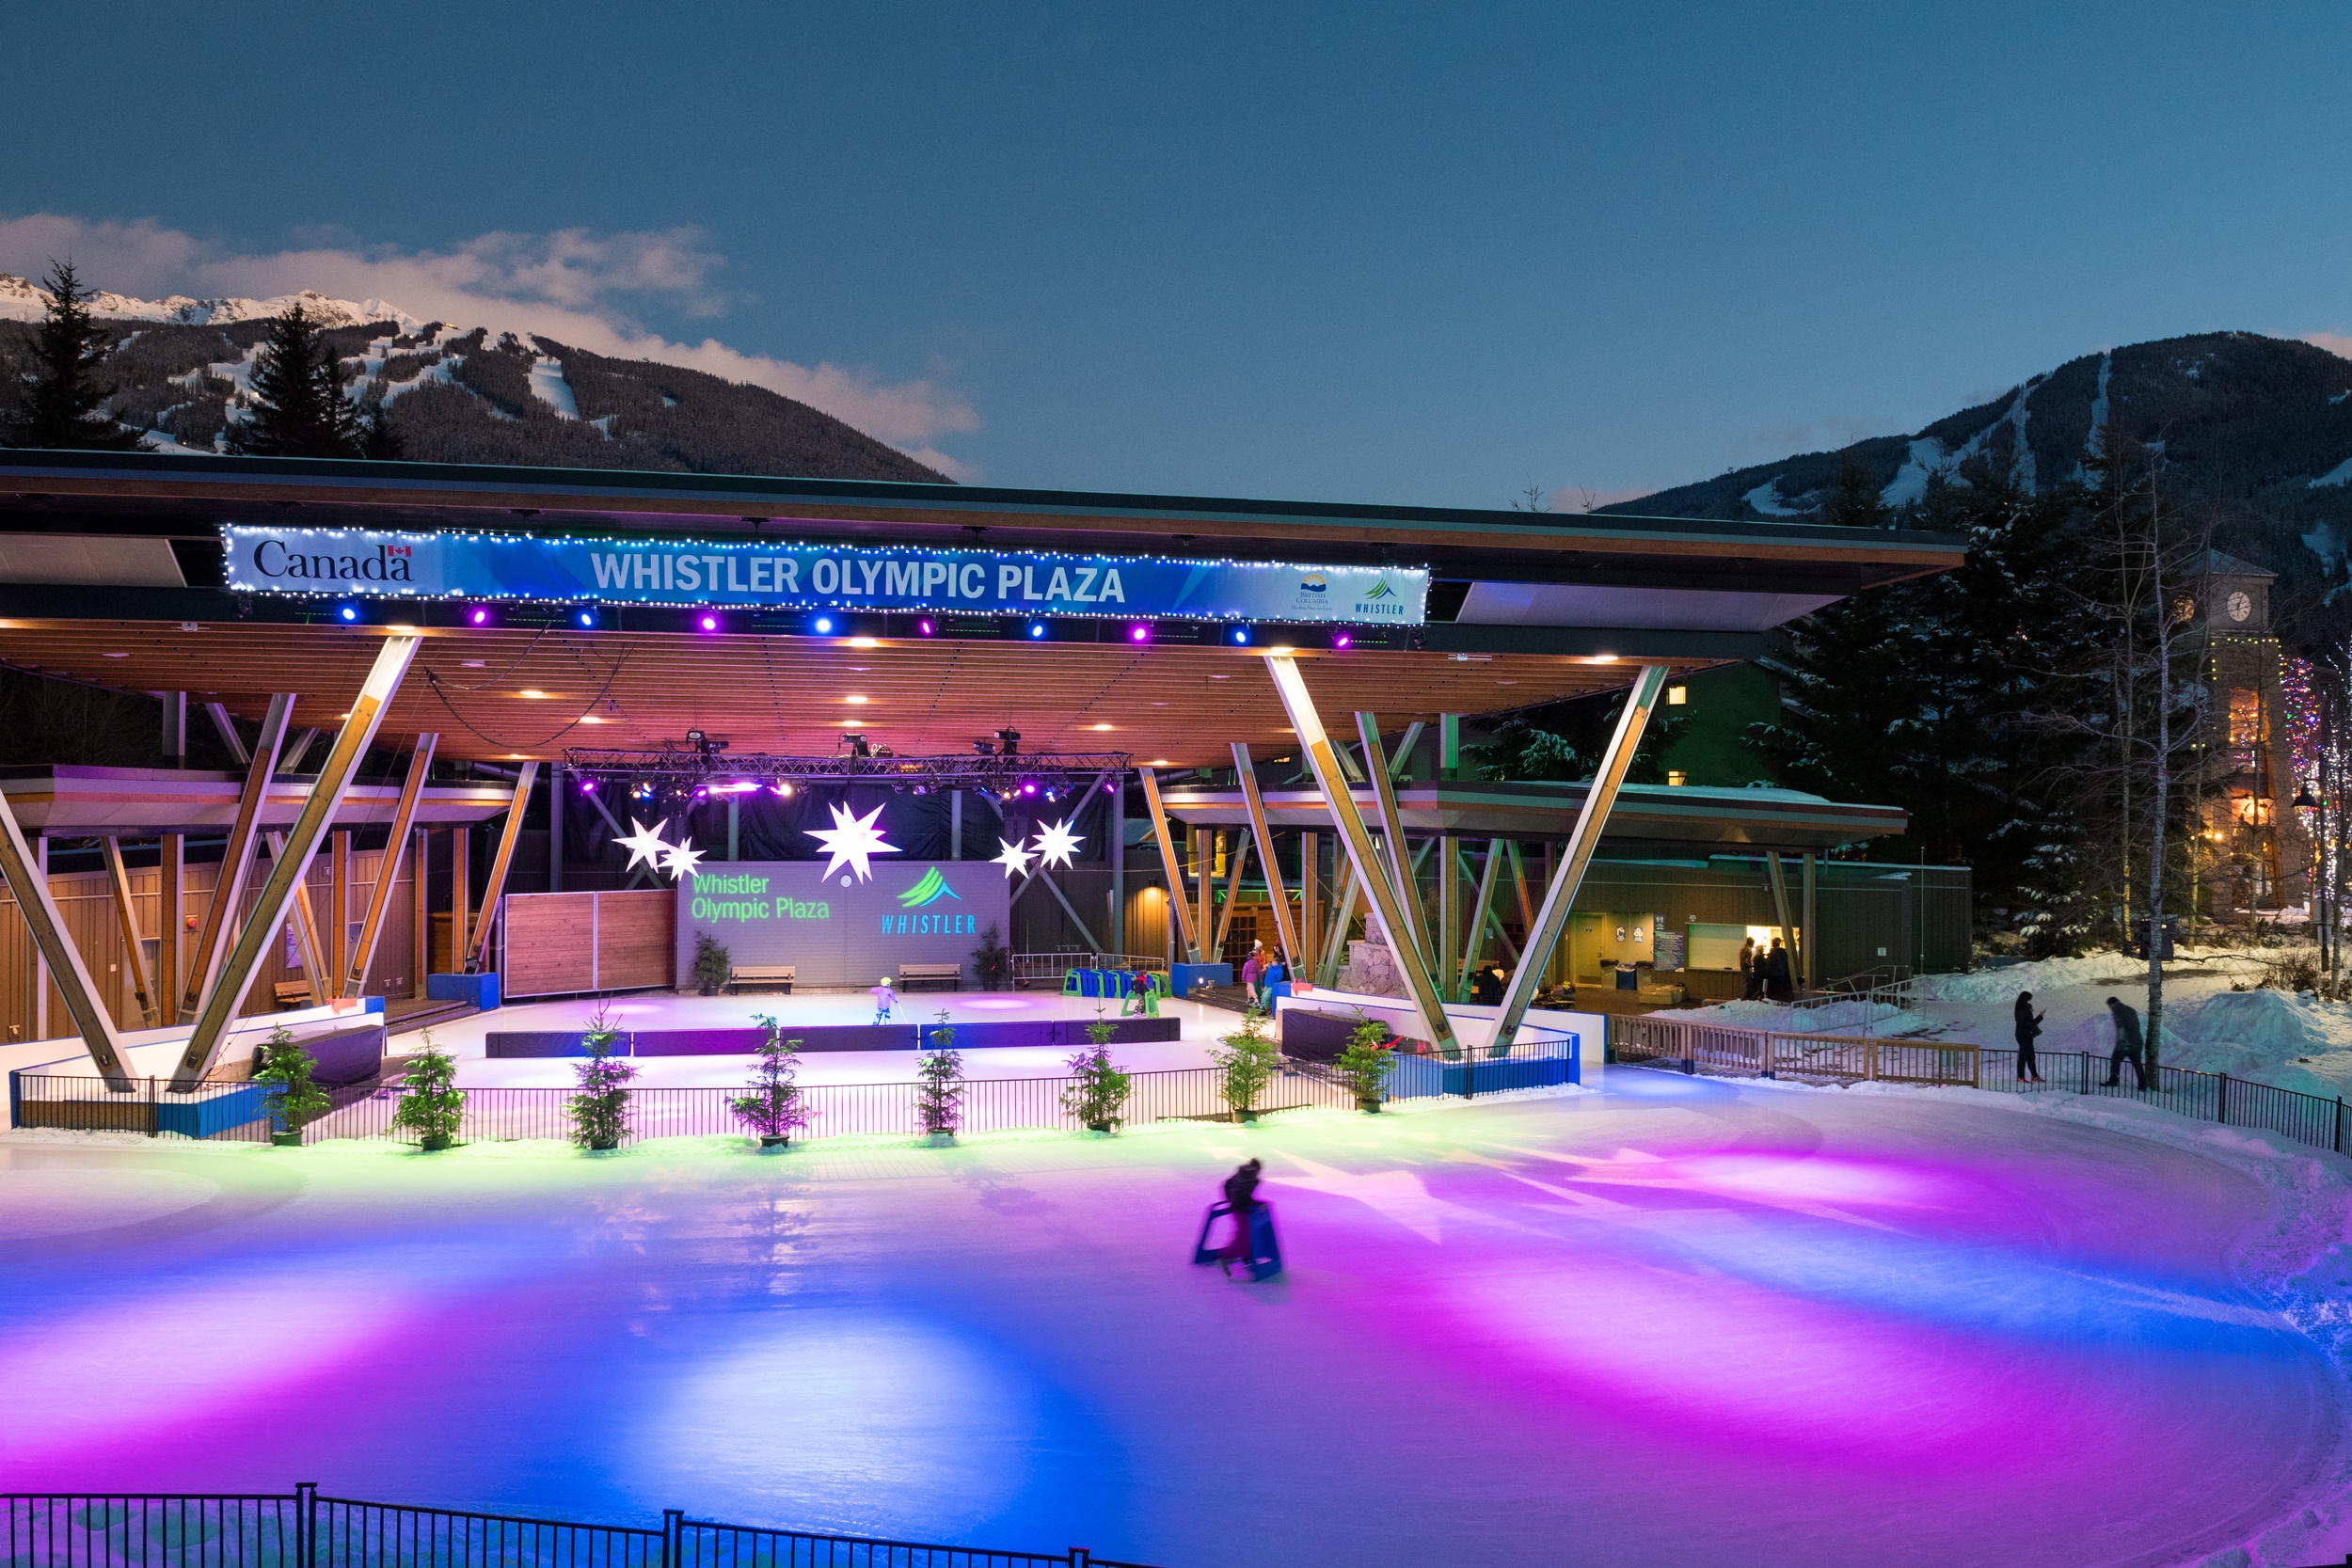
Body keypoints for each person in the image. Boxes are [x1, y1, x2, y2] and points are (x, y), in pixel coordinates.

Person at [1217, 1158, 1264, 1276]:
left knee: (1245, 1233)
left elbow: (1229, 1186)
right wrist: (1257, 1204)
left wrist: (1230, 1198)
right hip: (1240, 1210)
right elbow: (1245, 1197)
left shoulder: (1242, 1176)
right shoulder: (1251, 1180)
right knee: (1243, 1235)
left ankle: (1245, 1256)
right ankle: (1228, 1255)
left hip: (1238, 1208)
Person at [2103, 995, 2147, 1088]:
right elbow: (2136, 1025)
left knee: (2115, 1060)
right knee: (2137, 1064)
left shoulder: (2117, 1013)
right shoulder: (2130, 1009)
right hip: (2137, 1041)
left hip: (2125, 1043)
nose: (2110, 1009)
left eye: (2109, 1006)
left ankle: (2113, 1080)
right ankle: (2143, 1085)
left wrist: (2121, 1042)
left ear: (2112, 1004)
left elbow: (2121, 1029)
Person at [2013, 990, 2046, 1083]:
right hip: (2023, 1035)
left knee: (2030, 1056)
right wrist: (2040, 1016)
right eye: (2029, 1000)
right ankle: (2021, 1077)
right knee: (2023, 1057)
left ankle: (2034, 1076)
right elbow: (2030, 1024)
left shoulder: (2023, 1007)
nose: (2030, 1002)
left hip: (2026, 1035)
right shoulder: (2022, 1009)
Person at [1764, 939, 1794, 1004]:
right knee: (1782, 990)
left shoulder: (1773, 953)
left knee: (1775, 991)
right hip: (1784, 974)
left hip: (1774, 975)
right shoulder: (1784, 952)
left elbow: (1770, 965)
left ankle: (1777, 1001)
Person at [1739, 937, 1760, 1001]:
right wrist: (1751, 966)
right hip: (1746, 969)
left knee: (1747, 983)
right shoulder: (1747, 950)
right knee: (1748, 984)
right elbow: (1746, 960)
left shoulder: (1744, 949)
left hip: (1744, 969)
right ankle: (1745, 998)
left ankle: (1746, 997)